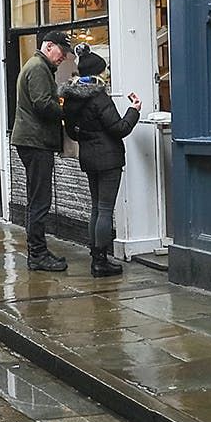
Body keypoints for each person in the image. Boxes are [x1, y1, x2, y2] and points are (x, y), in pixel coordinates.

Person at [61, 50, 141, 277]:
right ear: (97, 73)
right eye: (104, 70)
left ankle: (96, 257)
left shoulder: (72, 98)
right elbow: (119, 128)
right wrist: (134, 110)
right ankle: (100, 262)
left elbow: (72, 133)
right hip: (108, 159)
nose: (106, 74)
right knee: (105, 210)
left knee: (96, 208)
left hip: (88, 157)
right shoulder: (99, 98)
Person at [10, 30, 70, 271]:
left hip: (33, 140)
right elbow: (42, 104)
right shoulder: (38, 68)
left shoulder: (38, 66)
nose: (64, 56)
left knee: (37, 198)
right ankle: (37, 254)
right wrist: (67, 112)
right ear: (49, 46)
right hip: (35, 141)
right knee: (40, 200)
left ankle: (38, 251)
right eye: (62, 51)